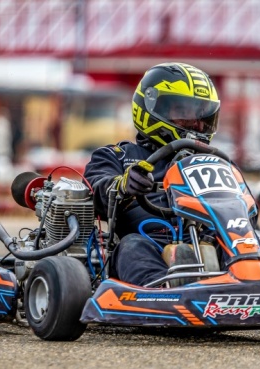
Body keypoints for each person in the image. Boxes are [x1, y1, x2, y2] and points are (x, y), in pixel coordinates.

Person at [83, 62, 224, 287]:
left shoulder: (215, 162)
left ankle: (259, 275)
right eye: (185, 113)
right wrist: (122, 185)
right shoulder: (117, 156)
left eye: (202, 115)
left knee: (245, 241)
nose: (197, 124)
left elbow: (246, 214)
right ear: (151, 107)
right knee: (131, 246)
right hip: (149, 246)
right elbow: (94, 191)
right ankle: (162, 289)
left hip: (206, 244)